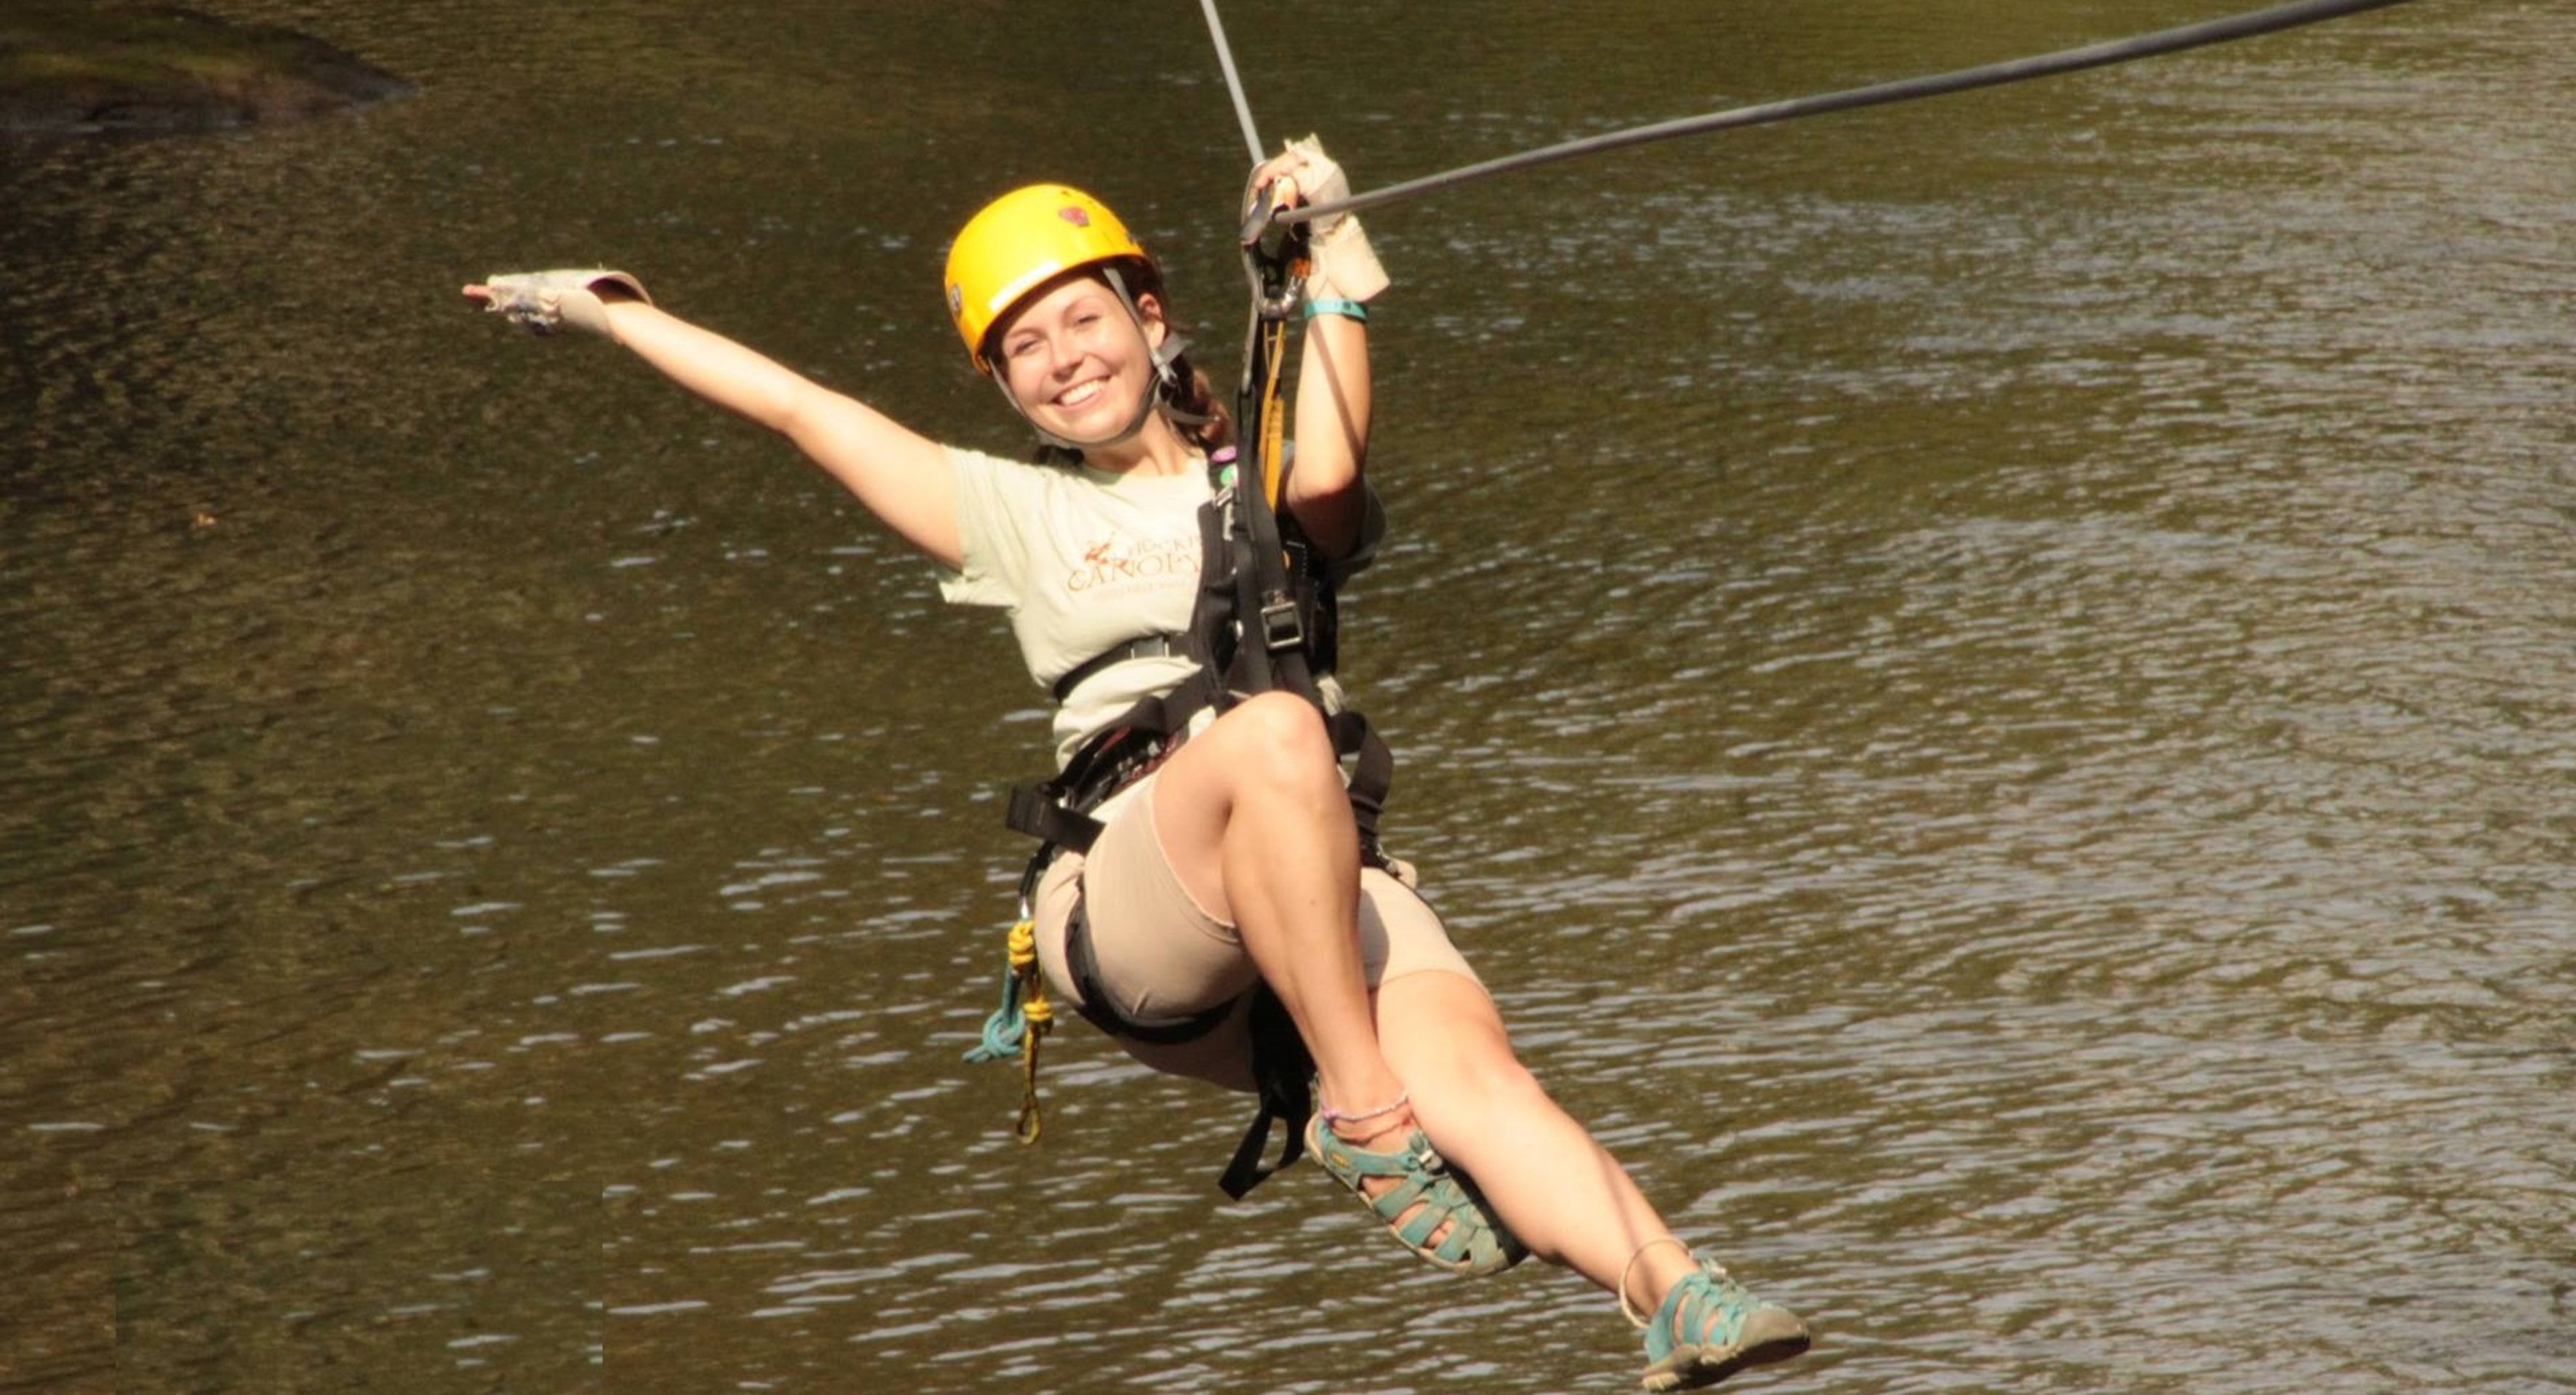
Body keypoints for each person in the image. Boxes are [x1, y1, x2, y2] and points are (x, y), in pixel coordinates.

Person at [464, 137, 1810, 1392]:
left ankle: (1670, 1292)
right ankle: (1358, 1105)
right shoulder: (1013, 510)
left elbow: (1331, 470)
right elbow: (803, 412)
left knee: (1486, 1078)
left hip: (1317, 880)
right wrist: (604, 306)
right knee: (1273, 735)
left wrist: (1329, 260)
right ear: (1004, 392)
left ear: (1151, 319)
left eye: (1082, 318)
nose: (1060, 359)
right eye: (1023, 349)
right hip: (1137, 900)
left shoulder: (1260, 473)